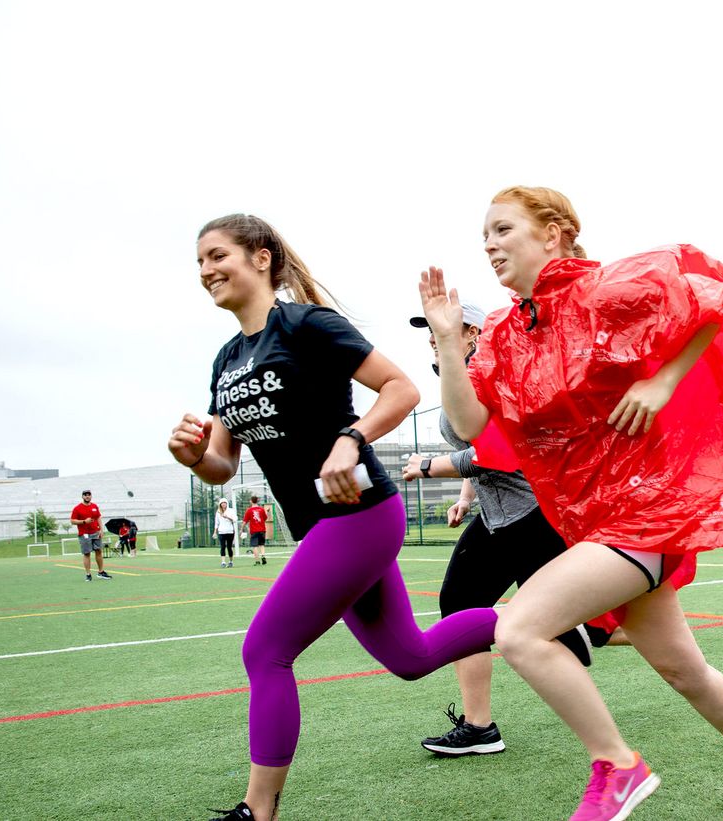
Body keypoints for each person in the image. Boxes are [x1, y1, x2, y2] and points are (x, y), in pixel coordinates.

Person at [418, 186, 723, 821]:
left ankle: (618, 767)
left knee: (519, 628)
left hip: (646, 510)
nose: (489, 245)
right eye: (484, 237)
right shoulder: (501, 332)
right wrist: (447, 343)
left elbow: (720, 300)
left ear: (554, 233)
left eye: (502, 230)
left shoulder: (605, 290)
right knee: (686, 673)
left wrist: (664, 379)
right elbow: (470, 424)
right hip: (589, 519)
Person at [169, 213, 498, 821]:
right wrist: (192, 455)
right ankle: (550, 618)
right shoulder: (226, 359)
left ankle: (256, 812)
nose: (207, 271)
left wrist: (351, 439)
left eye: (217, 256)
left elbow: (399, 388)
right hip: (321, 529)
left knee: (264, 651)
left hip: (359, 515)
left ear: (261, 257)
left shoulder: (306, 324)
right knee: (412, 658)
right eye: (199, 263)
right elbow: (220, 464)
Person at [402, 300, 612, 758]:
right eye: (430, 332)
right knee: (460, 603)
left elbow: (501, 453)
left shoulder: (493, 374)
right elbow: (481, 454)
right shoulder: (459, 380)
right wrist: (463, 498)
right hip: (498, 517)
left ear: (475, 335)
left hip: (534, 515)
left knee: (594, 626)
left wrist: (428, 465)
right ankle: (479, 728)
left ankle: (671, 648)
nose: (432, 338)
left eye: (443, 330)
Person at [70, 490, 111, 581]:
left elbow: (98, 517)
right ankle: (88, 574)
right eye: (85, 495)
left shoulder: (94, 506)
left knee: (98, 551)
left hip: (95, 532)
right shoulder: (77, 508)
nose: (87, 496)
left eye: (89, 495)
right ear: (82, 497)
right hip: (84, 534)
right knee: (87, 553)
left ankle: (101, 572)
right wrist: (84, 521)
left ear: (91, 496)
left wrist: (101, 529)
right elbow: (72, 521)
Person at [243, 495, 269, 565]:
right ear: (257, 501)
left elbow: (245, 521)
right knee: (262, 545)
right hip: (262, 530)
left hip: (254, 531)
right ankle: (263, 556)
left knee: (255, 546)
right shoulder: (261, 509)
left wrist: (241, 529)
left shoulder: (249, 510)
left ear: (251, 501)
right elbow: (265, 518)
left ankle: (257, 561)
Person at [215, 499, 237, 568]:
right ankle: (223, 562)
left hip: (230, 531)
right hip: (221, 532)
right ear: (220, 504)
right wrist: (215, 532)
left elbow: (235, 519)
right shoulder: (218, 512)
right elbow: (217, 523)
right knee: (222, 547)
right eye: (222, 503)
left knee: (229, 547)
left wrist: (227, 517)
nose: (223, 504)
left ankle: (231, 561)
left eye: (225, 503)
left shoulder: (231, 511)